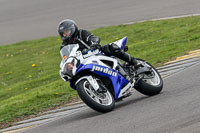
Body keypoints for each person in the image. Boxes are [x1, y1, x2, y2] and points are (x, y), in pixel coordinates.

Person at [58, 19, 140, 68]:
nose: (65, 35)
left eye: (67, 32)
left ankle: (134, 62)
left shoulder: (81, 33)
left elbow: (92, 38)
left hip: (95, 53)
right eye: (63, 33)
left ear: (73, 28)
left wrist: (94, 43)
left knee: (111, 47)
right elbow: (66, 58)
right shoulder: (64, 46)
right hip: (83, 62)